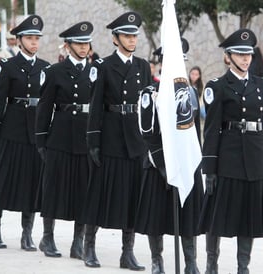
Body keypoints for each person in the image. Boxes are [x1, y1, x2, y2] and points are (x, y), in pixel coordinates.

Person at [199, 28, 263, 274]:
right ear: (228, 57)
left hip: (255, 161)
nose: (245, 59)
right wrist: (209, 168)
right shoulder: (217, 87)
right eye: (240, 54)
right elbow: (210, 130)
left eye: (249, 55)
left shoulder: (262, 86)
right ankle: (212, 264)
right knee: (217, 217)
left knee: (248, 217)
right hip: (227, 160)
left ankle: (243, 267)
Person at [81, 11, 151, 270]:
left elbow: (146, 106)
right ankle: (89, 247)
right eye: (126, 35)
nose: (132, 40)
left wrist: (150, 140)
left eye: (134, 35)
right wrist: (93, 141)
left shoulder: (142, 66)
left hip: (135, 140)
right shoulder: (102, 66)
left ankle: (127, 252)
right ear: (115, 38)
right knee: (100, 194)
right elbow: (96, 105)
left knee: (133, 197)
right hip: (110, 138)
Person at [135, 38, 204, 274]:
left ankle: (191, 261)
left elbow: (195, 131)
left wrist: (194, 162)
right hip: (159, 164)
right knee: (156, 218)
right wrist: (165, 167)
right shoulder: (150, 92)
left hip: (186, 164)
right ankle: (157, 260)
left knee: (188, 216)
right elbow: (148, 133)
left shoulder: (191, 92)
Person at [0, 15, 49, 251]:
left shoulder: (45, 67)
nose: (34, 43)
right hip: (11, 130)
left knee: (32, 182)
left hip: (34, 132)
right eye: (29, 38)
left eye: (36, 39)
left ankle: (27, 234)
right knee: (3, 179)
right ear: (19, 40)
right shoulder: (7, 67)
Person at [35, 21, 94, 259]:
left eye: (86, 43)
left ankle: (77, 241)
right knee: (53, 188)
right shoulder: (54, 72)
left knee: (83, 190)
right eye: (78, 43)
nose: (83, 47)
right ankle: (47, 237)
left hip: (84, 138)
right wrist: (41, 139)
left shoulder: (95, 71)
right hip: (59, 137)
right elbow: (44, 107)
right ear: (68, 46)